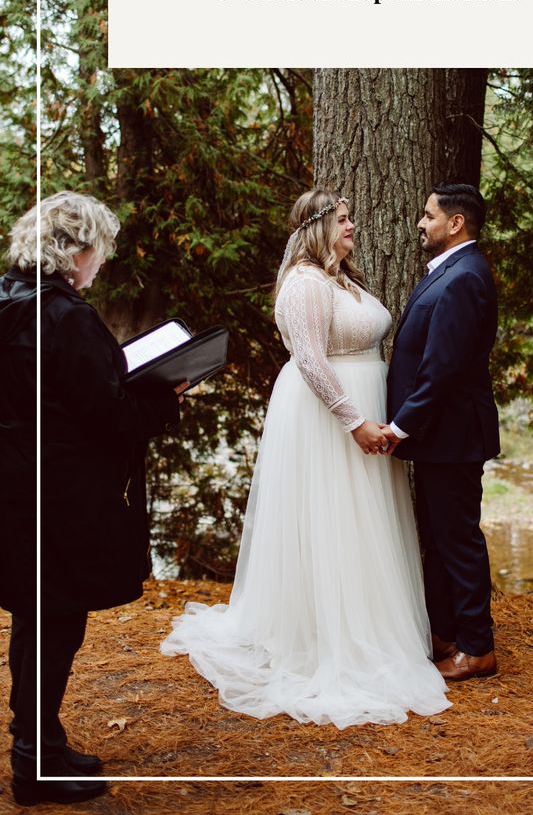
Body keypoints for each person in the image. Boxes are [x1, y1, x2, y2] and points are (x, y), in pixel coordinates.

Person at [163, 189, 449, 727]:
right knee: (332, 521)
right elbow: (312, 362)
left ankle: (369, 623)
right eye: (342, 219)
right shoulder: (304, 284)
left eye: (351, 218)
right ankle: (321, 638)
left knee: (365, 526)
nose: (352, 226)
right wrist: (355, 420)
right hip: (326, 419)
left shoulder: (344, 279)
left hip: (362, 413)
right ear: (317, 226)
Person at [0, 191, 184, 805]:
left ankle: (40, 742)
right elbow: (110, 417)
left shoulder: (9, 300)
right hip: (61, 498)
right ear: (74, 250)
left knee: (39, 616)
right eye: (99, 249)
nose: (101, 262)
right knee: (55, 622)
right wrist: (164, 395)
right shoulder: (63, 315)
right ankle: (34, 764)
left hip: (20, 488)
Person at [383, 183, 500, 680]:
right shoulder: (450, 272)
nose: (419, 223)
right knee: (436, 535)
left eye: (428, 216)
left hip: (451, 436)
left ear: (455, 223)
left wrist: (401, 426)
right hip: (440, 437)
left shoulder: (464, 279)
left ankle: (477, 647)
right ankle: (443, 633)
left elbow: (442, 369)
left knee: (456, 540)